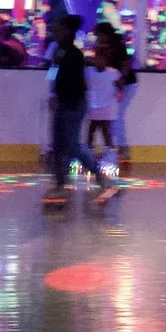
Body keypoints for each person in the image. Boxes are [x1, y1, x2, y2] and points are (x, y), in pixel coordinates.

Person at [45, 15, 114, 201]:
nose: (55, 33)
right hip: (64, 102)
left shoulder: (75, 55)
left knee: (72, 145)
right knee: (58, 145)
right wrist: (52, 94)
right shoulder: (59, 51)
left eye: (58, 30)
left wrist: (63, 97)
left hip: (73, 104)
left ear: (67, 32)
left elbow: (77, 83)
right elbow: (53, 73)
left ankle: (99, 176)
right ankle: (60, 183)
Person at [93, 22, 136, 173]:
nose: (97, 38)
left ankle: (122, 149)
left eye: (98, 35)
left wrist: (121, 81)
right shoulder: (103, 46)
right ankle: (114, 149)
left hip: (126, 84)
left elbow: (125, 64)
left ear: (104, 34)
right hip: (117, 84)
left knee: (116, 116)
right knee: (111, 117)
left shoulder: (118, 44)